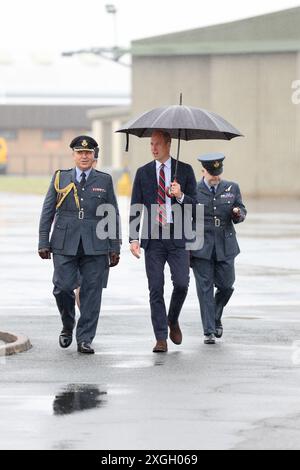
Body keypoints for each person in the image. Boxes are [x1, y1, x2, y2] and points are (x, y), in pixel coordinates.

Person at [38, 136, 121, 354]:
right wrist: (43, 240)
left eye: (88, 153)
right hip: (65, 242)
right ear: (73, 155)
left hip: (96, 244)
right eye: (79, 152)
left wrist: (115, 246)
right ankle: (68, 324)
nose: (84, 156)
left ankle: (85, 338)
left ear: (94, 155)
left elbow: (112, 214)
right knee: (62, 288)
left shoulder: (104, 180)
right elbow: (48, 210)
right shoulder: (60, 178)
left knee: (91, 292)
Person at [130, 130, 197, 353]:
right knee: (155, 288)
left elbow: (196, 206)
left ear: (169, 144)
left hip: (177, 237)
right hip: (153, 239)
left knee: (181, 284)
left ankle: (172, 319)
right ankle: (160, 337)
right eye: (151, 144)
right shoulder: (143, 173)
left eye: (158, 144)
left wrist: (180, 196)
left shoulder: (184, 171)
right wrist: (133, 238)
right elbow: (136, 206)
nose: (153, 148)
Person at [190, 153, 247, 345]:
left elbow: (241, 211)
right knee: (204, 289)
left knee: (226, 285)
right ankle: (209, 330)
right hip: (201, 247)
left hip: (225, 244)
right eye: (211, 174)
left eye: (218, 174)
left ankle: (215, 315)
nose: (215, 178)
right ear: (203, 171)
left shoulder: (232, 187)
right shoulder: (193, 189)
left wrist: (238, 213)